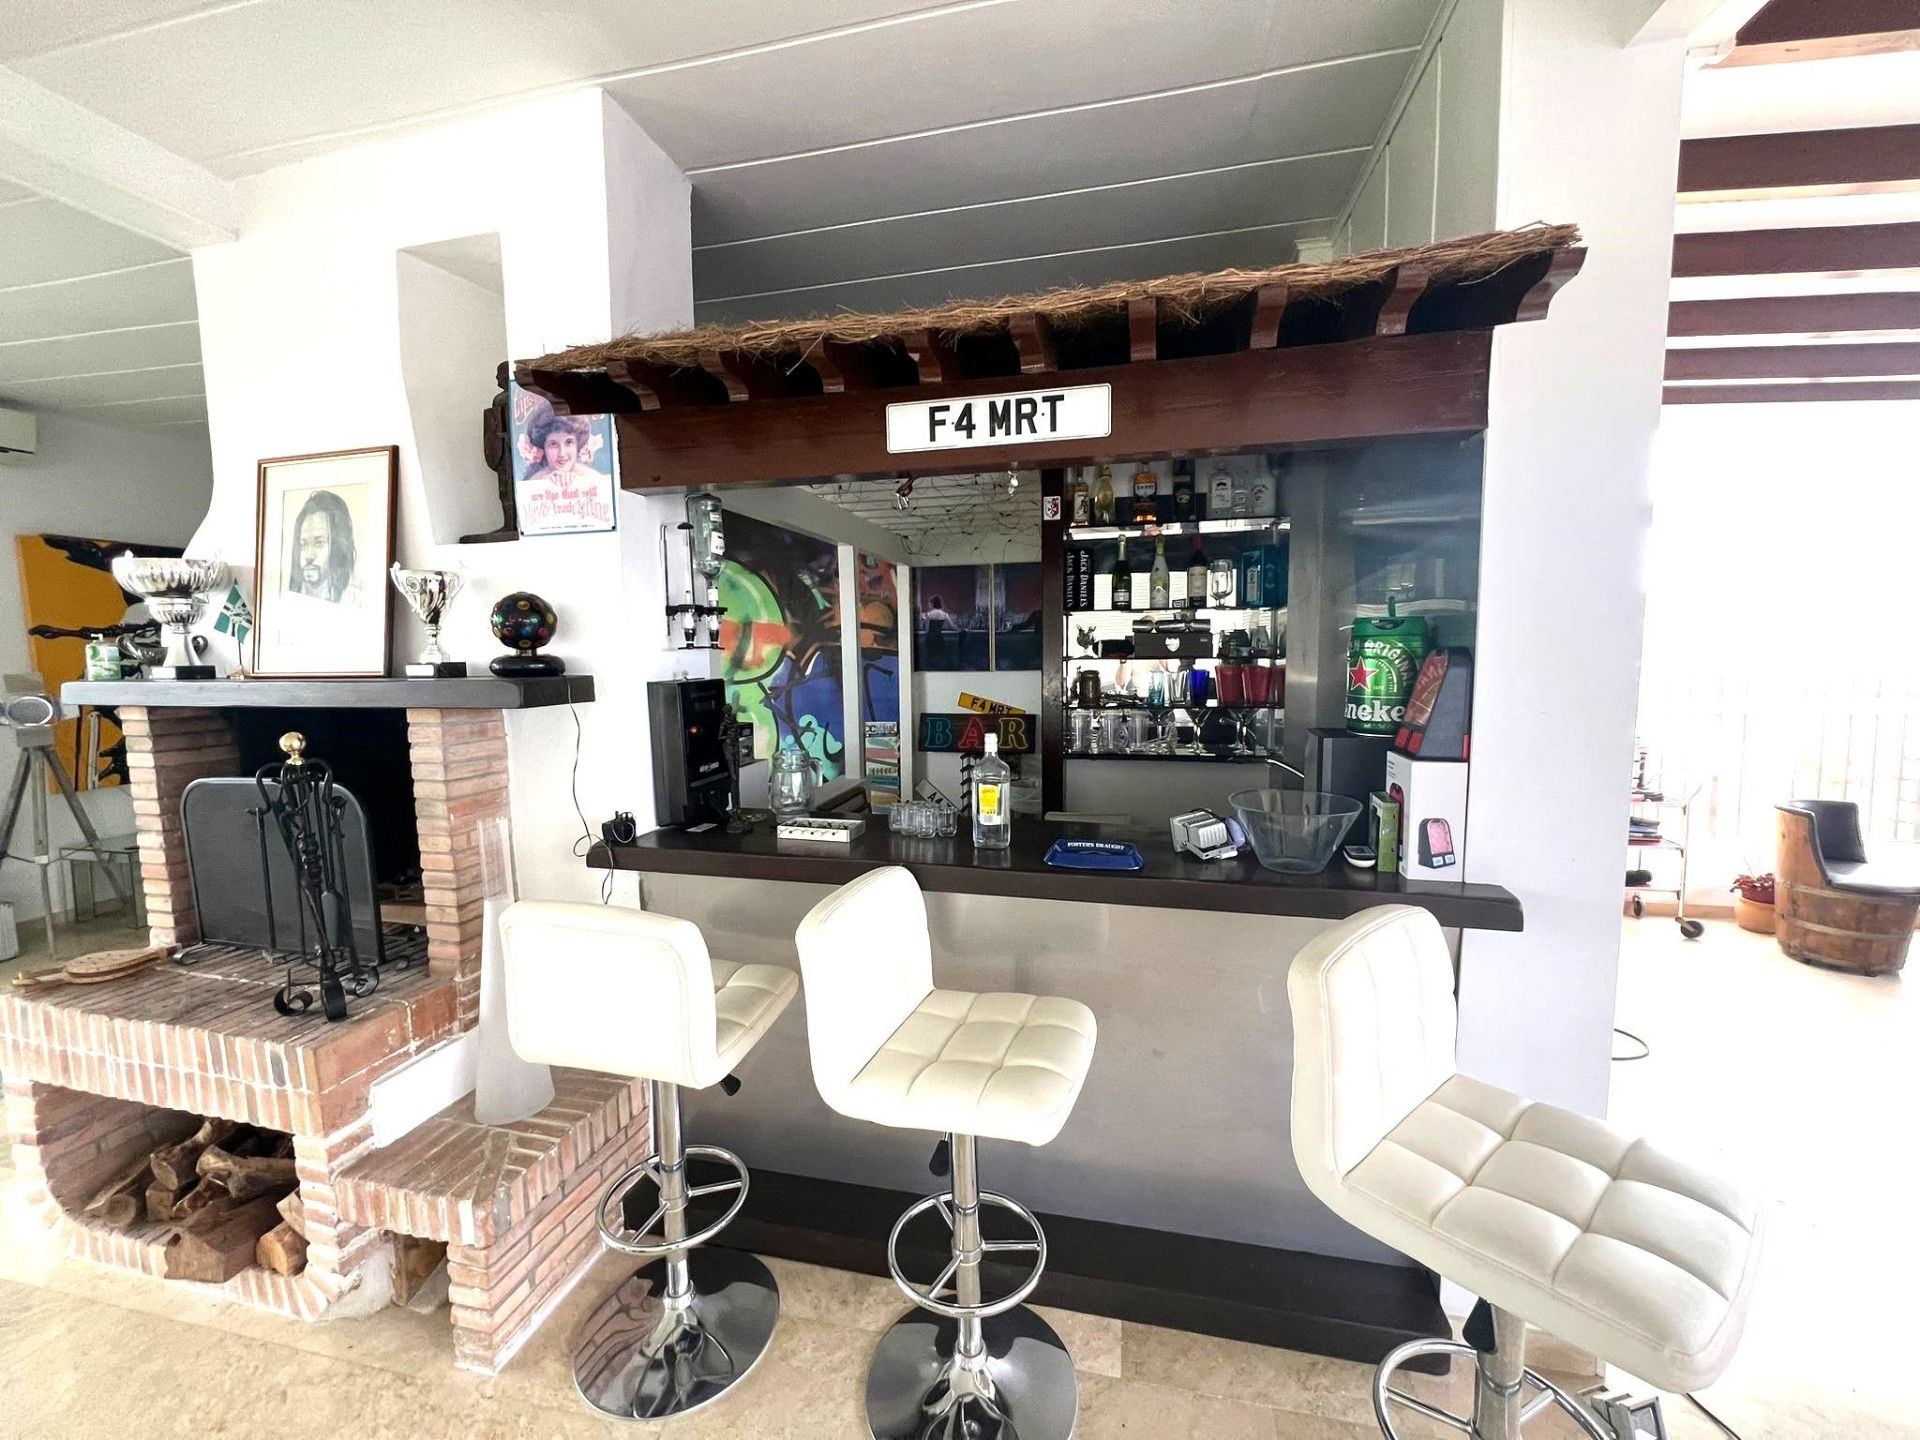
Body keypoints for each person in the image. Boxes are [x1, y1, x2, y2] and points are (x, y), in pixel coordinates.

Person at [286, 489, 360, 604]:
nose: (309, 556)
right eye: (303, 545)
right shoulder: (290, 598)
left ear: (338, 547)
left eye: (319, 543)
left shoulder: (356, 599)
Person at [524, 410, 596, 482]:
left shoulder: (593, 479)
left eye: (569, 442)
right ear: (543, 448)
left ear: (578, 445)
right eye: (553, 444)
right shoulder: (534, 481)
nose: (562, 453)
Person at [922, 594, 951, 665]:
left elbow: (926, 628)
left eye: (930, 603)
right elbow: (952, 626)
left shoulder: (928, 614)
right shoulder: (945, 614)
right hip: (939, 637)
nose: (929, 605)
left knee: (930, 656)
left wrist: (923, 619)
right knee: (940, 656)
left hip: (930, 637)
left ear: (932, 604)